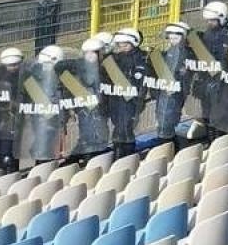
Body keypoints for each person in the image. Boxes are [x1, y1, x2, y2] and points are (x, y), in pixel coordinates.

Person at [190, 0, 228, 137]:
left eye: (213, 20)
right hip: (207, 81)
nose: (209, 23)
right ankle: (211, 141)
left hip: (221, 83)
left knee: (218, 117)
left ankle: (218, 141)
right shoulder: (208, 33)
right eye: (208, 21)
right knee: (207, 115)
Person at [103, 29, 149, 157]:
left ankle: (123, 158)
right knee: (119, 128)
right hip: (116, 101)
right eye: (120, 44)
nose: (122, 47)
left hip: (130, 102)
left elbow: (140, 83)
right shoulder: (114, 58)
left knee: (124, 132)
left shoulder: (141, 59)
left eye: (125, 44)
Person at [61, 38, 109, 159]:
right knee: (88, 139)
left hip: (99, 113)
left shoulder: (106, 69)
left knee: (95, 141)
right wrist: (71, 107)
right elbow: (68, 88)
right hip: (86, 112)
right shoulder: (78, 69)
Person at [147, 22, 193, 145]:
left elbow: (180, 75)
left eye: (175, 38)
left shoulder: (185, 53)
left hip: (173, 94)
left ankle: (169, 149)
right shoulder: (172, 51)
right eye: (171, 38)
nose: (172, 41)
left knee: (166, 122)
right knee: (164, 121)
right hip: (167, 92)